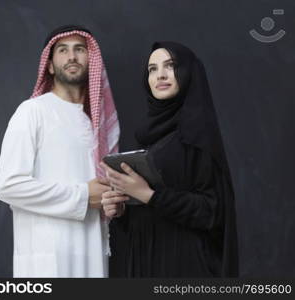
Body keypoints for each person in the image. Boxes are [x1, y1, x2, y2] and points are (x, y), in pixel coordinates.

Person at [101, 41, 239, 277]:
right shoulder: (148, 136)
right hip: (147, 259)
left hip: (185, 263)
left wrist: (150, 195)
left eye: (170, 66)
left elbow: (213, 211)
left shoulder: (197, 134)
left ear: (186, 73)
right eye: (152, 69)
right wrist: (122, 210)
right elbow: (148, 211)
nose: (160, 75)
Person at [0, 25, 120, 277]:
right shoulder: (32, 112)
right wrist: (83, 195)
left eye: (79, 50)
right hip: (47, 258)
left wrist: (112, 202)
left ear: (91, 59)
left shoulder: (97, 126)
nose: (72, 57)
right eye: (62, 50)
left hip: (92, 255)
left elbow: (105, 191)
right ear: (50, 65)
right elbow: (8, 185)